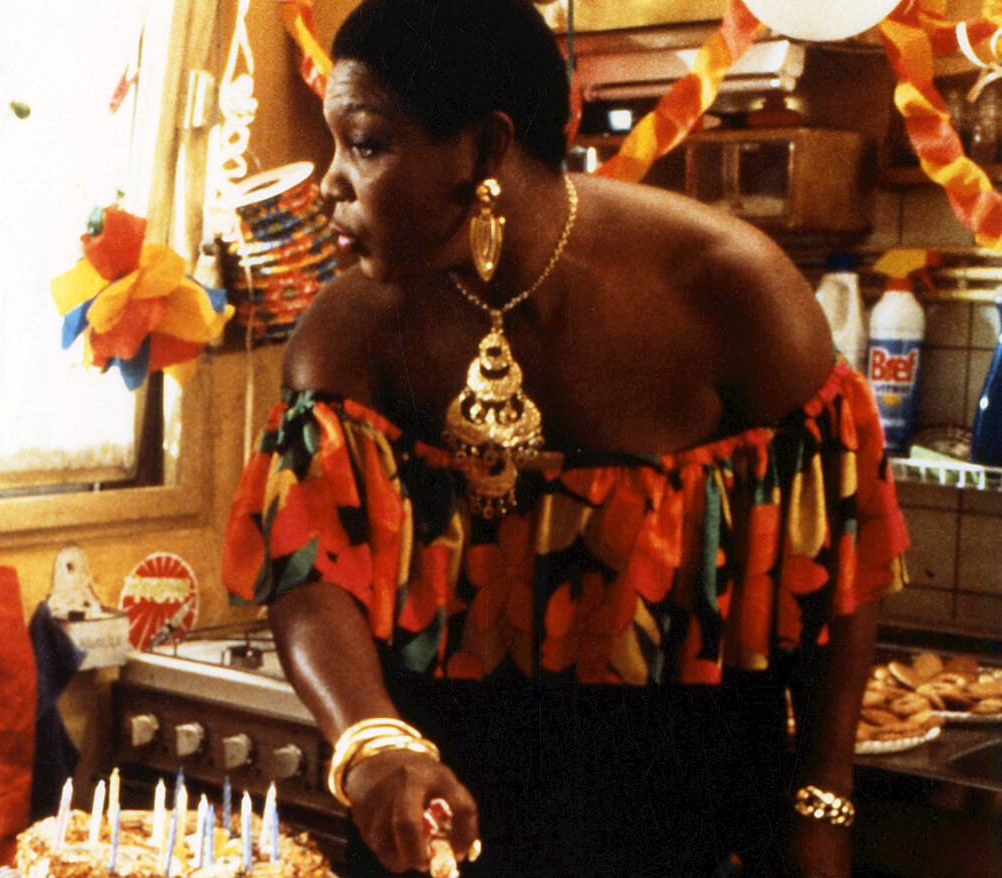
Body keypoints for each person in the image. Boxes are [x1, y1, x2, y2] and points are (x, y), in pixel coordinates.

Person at [222, 2, 907, 877]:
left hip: (692, 817)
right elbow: (309, 567)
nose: (330, 184)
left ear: (486, 147)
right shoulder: (348, 333)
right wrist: (371, 739)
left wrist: (824, 804)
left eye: (365, 145)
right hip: (439, 811)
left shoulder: (734, 291)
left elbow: (839, 565)